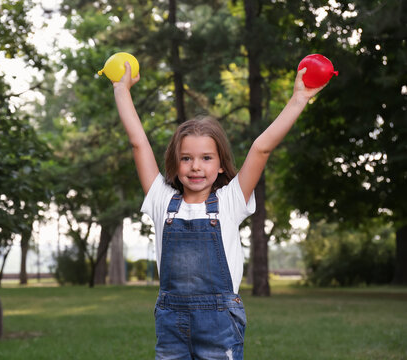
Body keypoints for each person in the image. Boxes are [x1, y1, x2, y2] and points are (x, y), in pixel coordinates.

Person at [112, 61, 327, 360]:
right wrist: (121, 90)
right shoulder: (162, 199)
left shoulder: (230, 200)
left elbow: (261, 148)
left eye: (206, 158)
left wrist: (299, 98)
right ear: (175, 164)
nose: (196, 166)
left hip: (220, 326)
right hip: (171, 324)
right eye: (186, 158)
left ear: (221, 164)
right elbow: (138, 143)